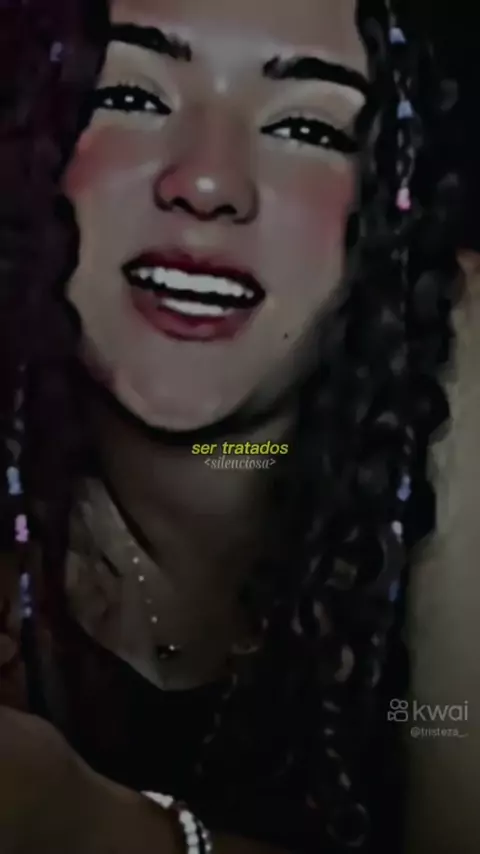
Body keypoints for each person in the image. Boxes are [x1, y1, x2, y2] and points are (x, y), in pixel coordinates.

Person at [0, 0, 461, 852]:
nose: (206, 183)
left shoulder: (455, 406)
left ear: (394, 206)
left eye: (307, 127)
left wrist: (102, 831)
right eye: (130, 97)